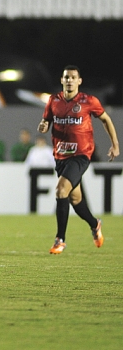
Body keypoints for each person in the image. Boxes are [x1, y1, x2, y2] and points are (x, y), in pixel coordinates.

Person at [38, 65, 119, 255]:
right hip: (61, 156)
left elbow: (106, 119)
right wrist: (43, 126)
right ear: (61, 80)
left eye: (73, 77)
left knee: (60, 190)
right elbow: (46, 122)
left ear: (79, 81)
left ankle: (60, 240)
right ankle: (95, 223)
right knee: (76, 200)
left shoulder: (88, 101)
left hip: (81, 154)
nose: (69, 80)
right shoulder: (53, 100)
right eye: (66, 77)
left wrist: (115, 144)